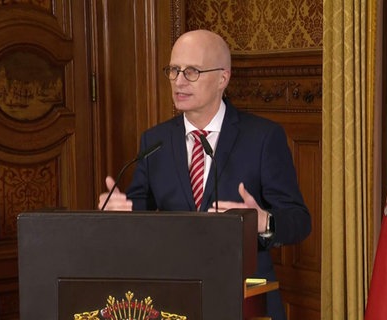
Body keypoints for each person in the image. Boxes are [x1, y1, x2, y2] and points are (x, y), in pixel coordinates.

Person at [98, 29, 311, 320]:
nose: (178, 81)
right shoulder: (154, 141)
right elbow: (140, 212)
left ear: (223, 78)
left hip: (244, 293)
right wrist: (120, 213)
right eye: (173, 70)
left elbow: (299, 221)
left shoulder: (263, 137)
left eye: (192, 71)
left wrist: (263, 221)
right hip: (173, 296)